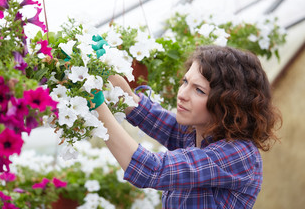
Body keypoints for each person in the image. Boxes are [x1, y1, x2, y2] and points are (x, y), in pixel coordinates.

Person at [95, 45, 282, 208]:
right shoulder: (197, 133)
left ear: (229, 105)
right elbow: (156, 119)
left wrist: (98, 108)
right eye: (185, 82)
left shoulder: (239, 153)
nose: (182, 94)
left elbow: (152, 170)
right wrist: (109, 75)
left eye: (199, 90)